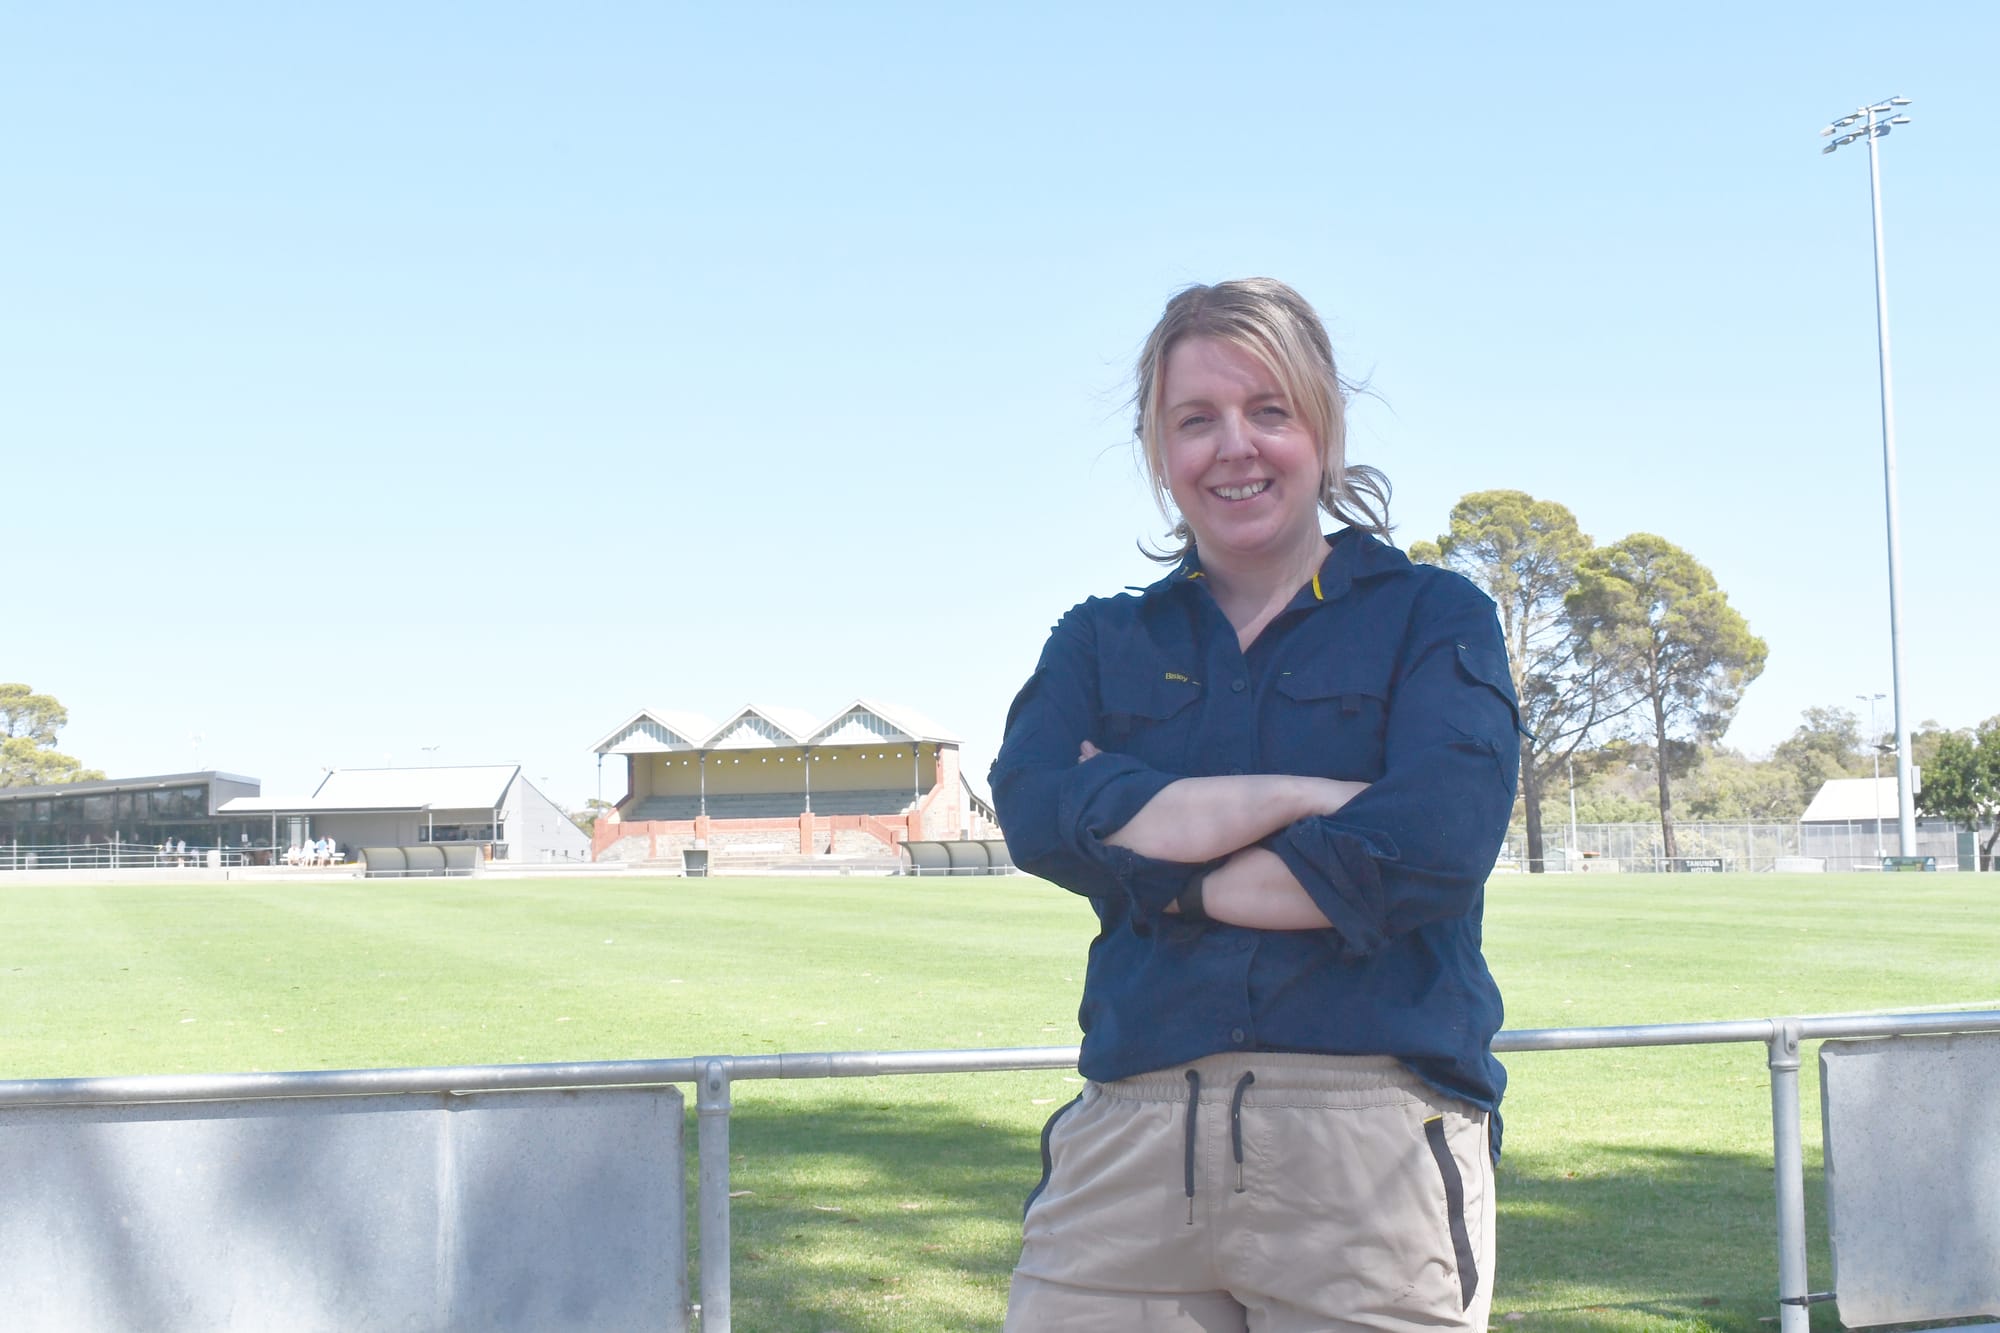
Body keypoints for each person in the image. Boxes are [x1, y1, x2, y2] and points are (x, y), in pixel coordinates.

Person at [990, 278, 1521, 1331]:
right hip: (1126, 1146)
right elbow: (1034, 810)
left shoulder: (1432, 616)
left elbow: (1431, 845)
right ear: (1159, 452)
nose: (1233, 446)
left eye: (1267, 411)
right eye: (1195, 421)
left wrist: (1155, 852)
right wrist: (1298, 797)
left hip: (1365, 1152)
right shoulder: (1097, 642)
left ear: (1319, 426)